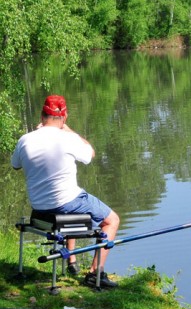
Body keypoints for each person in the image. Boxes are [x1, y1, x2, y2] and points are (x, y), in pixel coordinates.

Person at [10, 95, 120, 288]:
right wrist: (69, 131)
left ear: (42, 115)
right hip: (66, 204)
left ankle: (73, 262)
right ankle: (95, 273)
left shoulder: (24, 140)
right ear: (65, 116)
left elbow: (15, 165)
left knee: (73, 197)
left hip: (39, 207)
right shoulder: (67, 138)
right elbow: (90, 154)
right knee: (112, 220)